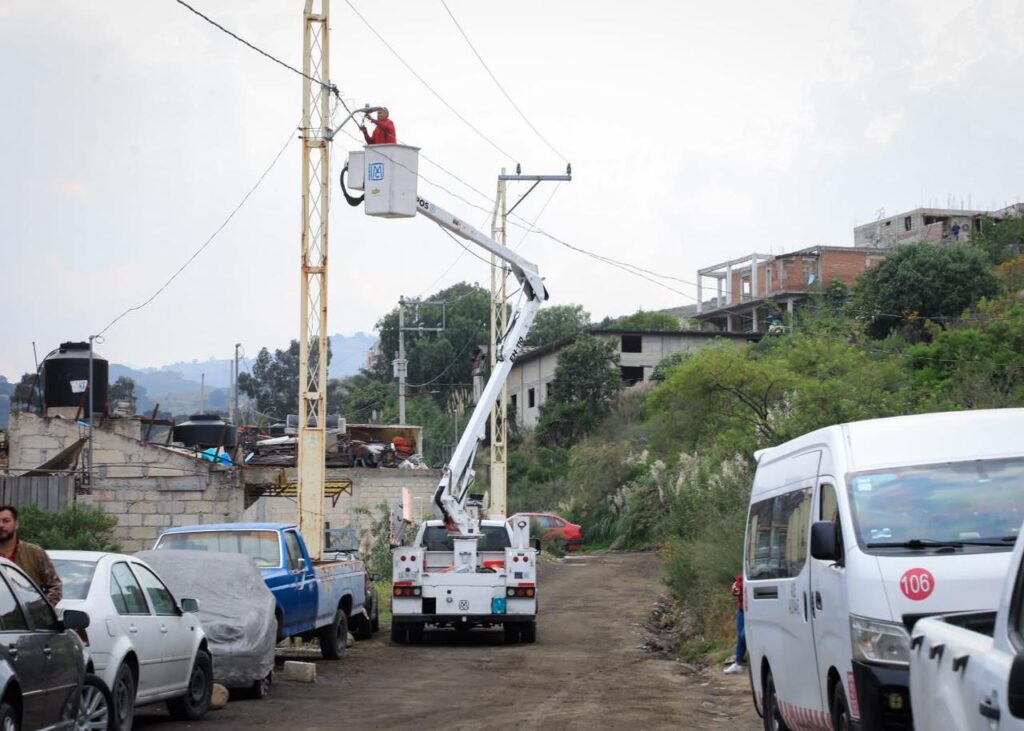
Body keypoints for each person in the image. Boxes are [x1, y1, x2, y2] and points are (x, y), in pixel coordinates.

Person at [0, 505, 62, 604]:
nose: (1, 525)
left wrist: (39, 609)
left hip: (24, 612)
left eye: (6, 521)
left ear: (16, 524)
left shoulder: (35, 553)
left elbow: (55, 587)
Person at [724, 572, 746, 674]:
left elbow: (738, 588)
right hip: (741, 609)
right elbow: (735, 590)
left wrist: (739, 588)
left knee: (744, 635)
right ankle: (738, 663)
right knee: (740, 637)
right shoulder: (744, 574)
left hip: (754, 609)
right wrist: (739, 587)